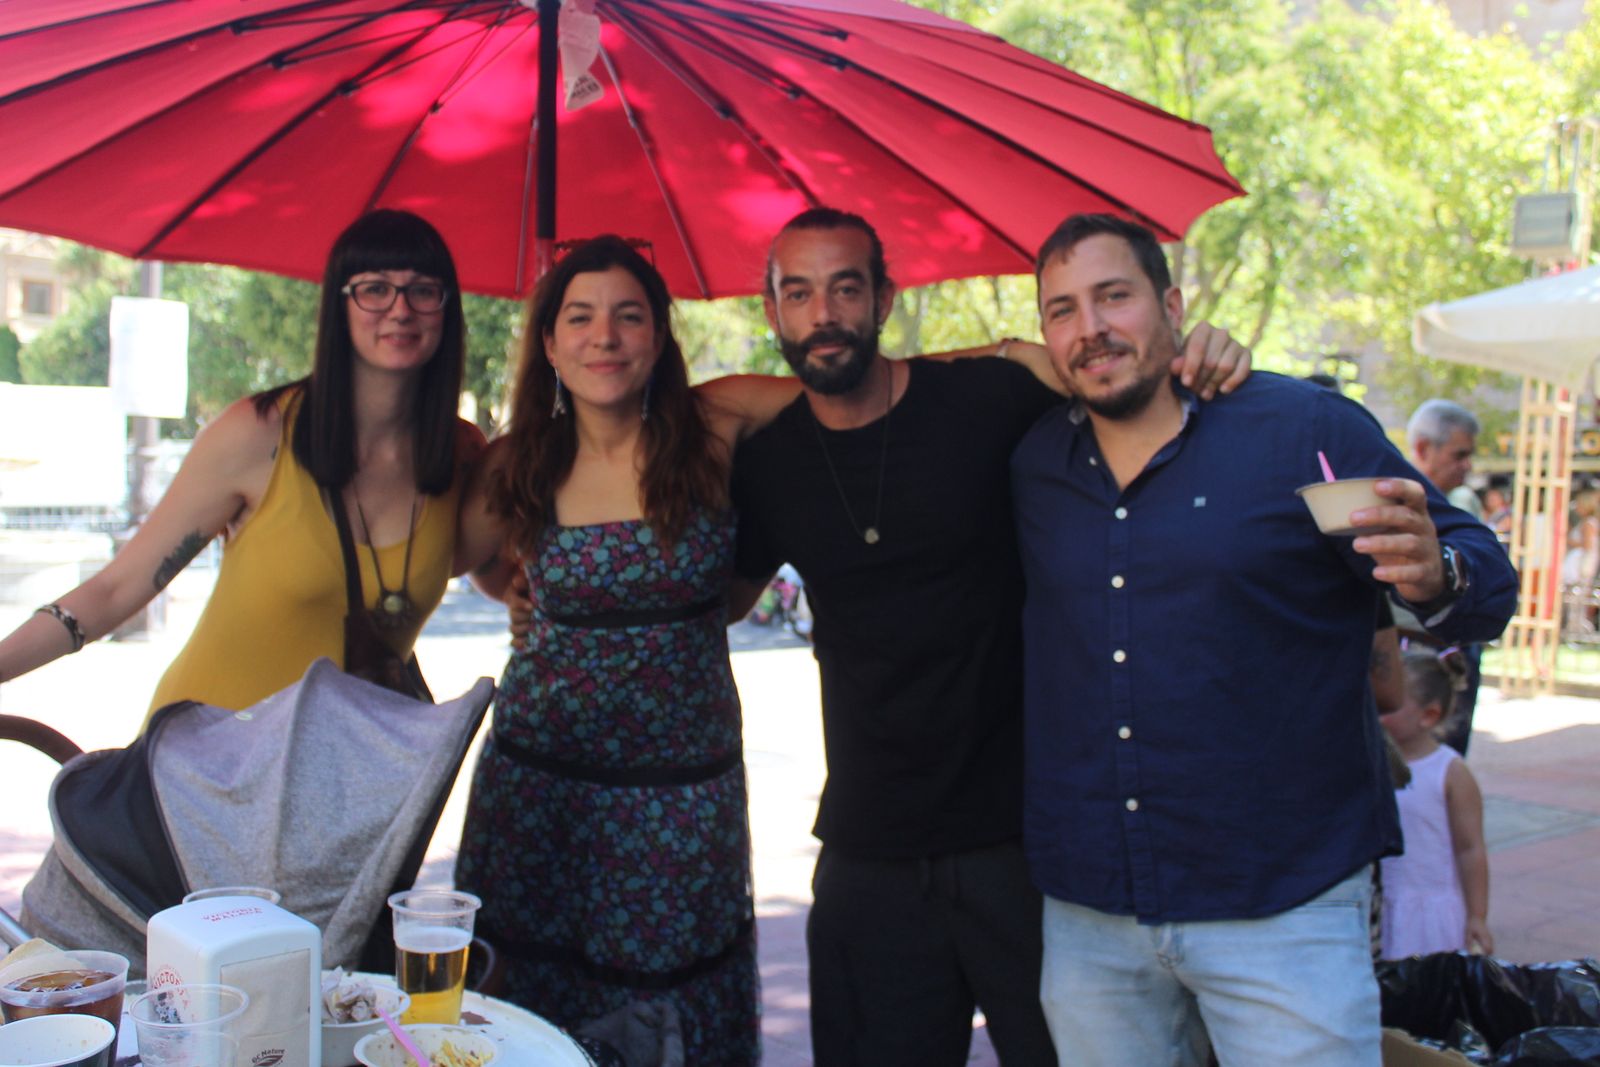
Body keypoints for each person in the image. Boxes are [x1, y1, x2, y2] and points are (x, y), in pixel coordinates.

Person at [728, 207, 1251, 1067]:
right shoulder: (770, 460)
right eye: (799, 292)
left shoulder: (989, 400)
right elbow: (719, 597)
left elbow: (1124, 383)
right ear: (773, 308)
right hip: (870, 849)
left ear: (885, 298)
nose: (823, 313)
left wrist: (1204, 352)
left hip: (1026, 845)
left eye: (846, 288)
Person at [1010, 213, 1517, 1067]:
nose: (1090, 328)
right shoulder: (1035, 464)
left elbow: (1478, 566)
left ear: (1172, 304)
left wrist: (1436, 573)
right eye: (1061, 309)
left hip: (1283, 903)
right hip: (1094, 913)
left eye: (1114, 296)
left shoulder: (1295, 435)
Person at [452, 236, 797, 1065]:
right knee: (531, 1012)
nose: (604, 336)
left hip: (681, 800)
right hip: (541, 791)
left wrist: (1010, 358)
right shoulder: (516, 464)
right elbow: (459, 561)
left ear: (660, 335)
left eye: (628, 315)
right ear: (548, 343)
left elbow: (865, 391)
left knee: (676, 1009)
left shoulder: (720, 425)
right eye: (580, 317)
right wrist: (520, 596)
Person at [0, 209, 483, 714]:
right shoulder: (258, 433)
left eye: (424, 291)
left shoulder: (463, 455)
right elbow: (115, 589)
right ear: (338, 307)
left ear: (447, 309)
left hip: (356, 782)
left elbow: (510, 559)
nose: (400, 309)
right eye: (375, 289)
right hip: (208, 767)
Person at [1379, 648, 1493, 959]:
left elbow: (1470, 848)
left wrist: (1476, 916)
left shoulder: (1450, 772)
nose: (1375, 712)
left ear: (1428, 715)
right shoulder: (1370, 762)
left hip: (1428, 914)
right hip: (1380, 903)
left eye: (1387, 706)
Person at [1404, 398, 1488, 755]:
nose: (1467, 466)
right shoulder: (1395, 505)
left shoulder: (1463, 504)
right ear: (1424, 448)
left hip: (1455, 658)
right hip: (1414, 660)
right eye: (1459, 455)